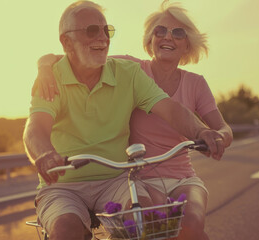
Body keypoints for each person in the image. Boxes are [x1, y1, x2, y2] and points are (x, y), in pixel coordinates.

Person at [24, 1, 227, 240]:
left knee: (144, 225)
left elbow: (171, 109)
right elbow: (35, 127)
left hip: (116, 180)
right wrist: (44, 153)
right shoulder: (50, 79)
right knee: (66, 231)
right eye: (91, 30)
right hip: (63, 186)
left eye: (105, 30)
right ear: (67, 41)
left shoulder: (128, 73)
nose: (102, 37)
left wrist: (201, 132)